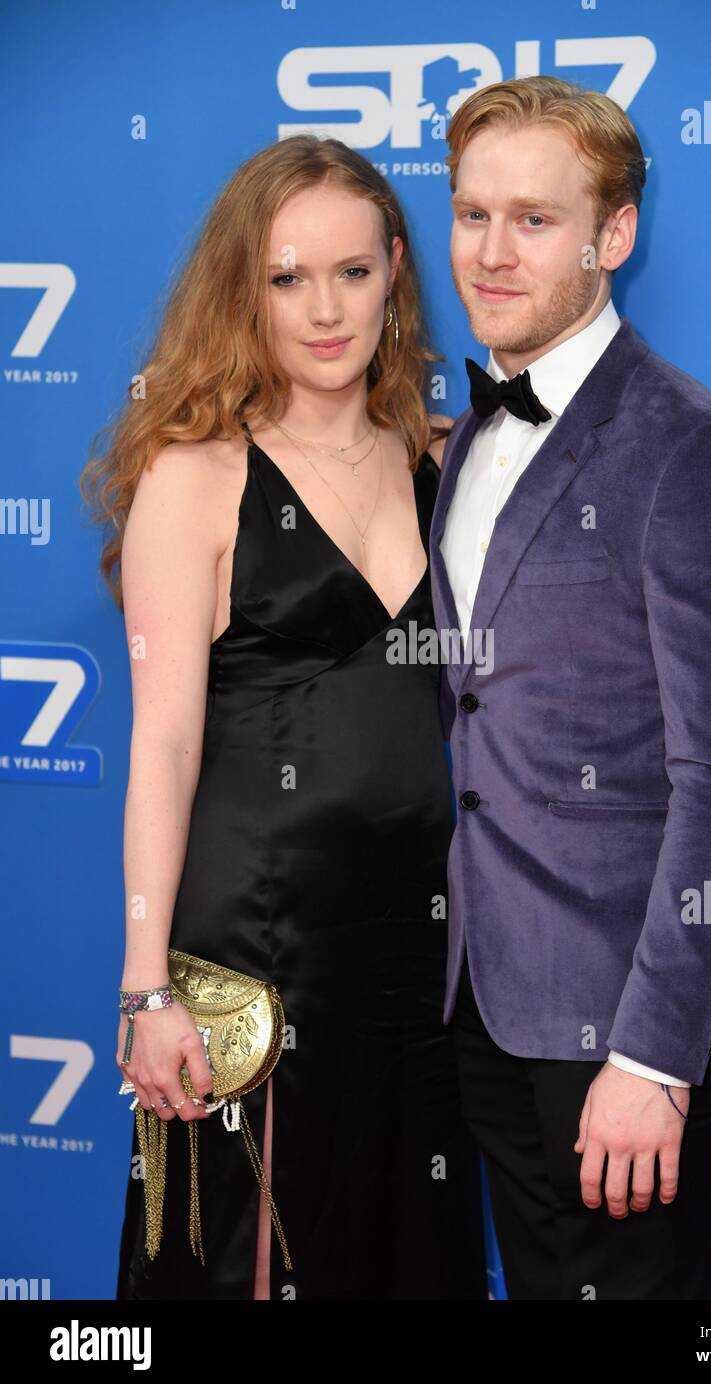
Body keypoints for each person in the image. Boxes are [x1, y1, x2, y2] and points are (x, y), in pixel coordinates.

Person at [430, 76, 711, 1300]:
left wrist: (653, 1058)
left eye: (535, 221)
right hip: (484, 997)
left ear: (614, 236)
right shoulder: (460, 436)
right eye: (469, 213)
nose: (490, 255)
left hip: (624, 1016)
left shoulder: (693, 450)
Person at [82, 133, 486, 1300]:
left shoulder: (440, 462)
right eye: (286, 277)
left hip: (419, 949)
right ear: (241, 290)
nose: (324, 310)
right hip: (258, 950)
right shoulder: (195, 475)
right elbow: (160, 741)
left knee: (401, 1249)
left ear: (396, 270)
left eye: (351, 273)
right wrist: (145, 988)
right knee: (241, 1263)